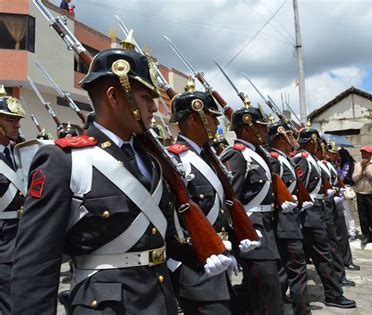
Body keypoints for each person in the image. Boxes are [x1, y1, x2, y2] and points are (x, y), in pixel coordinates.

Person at [11, 48, 226, 314]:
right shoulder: (64, 160)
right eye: (146, 97)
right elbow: (36, 264)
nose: (153, 108)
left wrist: (204, 255)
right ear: (114, 97)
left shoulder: (153, 160)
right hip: (107, 305)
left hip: (161, 300)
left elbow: (161, 236)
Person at [165, 83, 257, 314]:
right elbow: (173, 217)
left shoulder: (208, 157)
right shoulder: (175, 160)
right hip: (195, 266)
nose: (217, 123)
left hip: (217, 255)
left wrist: (230, 248)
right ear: (195, 119)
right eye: (211, 117)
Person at [220, 104, 285, 315]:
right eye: (262, 127)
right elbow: (230, 198)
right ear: (248, 128)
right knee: (268, 290)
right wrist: (238, 232)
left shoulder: (256, 154)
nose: (266, 131)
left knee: (259, 289)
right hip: (251, 229)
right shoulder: (237, 155)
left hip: (265, 227)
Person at [293, 126, 356, 309]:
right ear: (312, 142)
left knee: (323, 253)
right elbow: (299, 188)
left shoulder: (310, 159)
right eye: (317, 142)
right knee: (322, 255)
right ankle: (333, 294)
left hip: (318, 210)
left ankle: (333, 292)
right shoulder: (302, 159)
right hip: (310, 213)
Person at [268, 120, 310, 314]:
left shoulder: (285, 158)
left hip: (291, 218)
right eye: (290, 136)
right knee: (297, 269)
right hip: (284, 221)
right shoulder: (275, 158)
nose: (293, 139)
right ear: (280, 138)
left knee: (284, 270)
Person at [0, 86, 26, 315]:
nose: (17, 125)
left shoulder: (20, 151)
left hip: (22, 238)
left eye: (17, 120)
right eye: (10, 120)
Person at [325, 142, 359, 270]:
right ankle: (339, 264)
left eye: (335, 154)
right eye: (331, 153)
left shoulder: (331, 165)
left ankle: (346, 261)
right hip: (329, 203)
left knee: (342, 234)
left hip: (337, 200)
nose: (334, 156)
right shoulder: (324, 165)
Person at [352, 145, 372, 251]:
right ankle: (366, 235)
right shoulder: (357, 165)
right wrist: (361, 170)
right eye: (362, 153)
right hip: (360, 193)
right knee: (363, 217)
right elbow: (354, 178)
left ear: (370, 154)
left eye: (365, 153)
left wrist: (366, 169)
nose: (363, 155)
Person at [337, 148, 356, 240]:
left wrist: (338, 167)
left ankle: (351, 233)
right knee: (343, 213)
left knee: (347, 213)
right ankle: (346, 231)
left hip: (345, 189)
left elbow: (341, 177)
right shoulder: (342, 164)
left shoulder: (347, 165)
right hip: (340, 190)